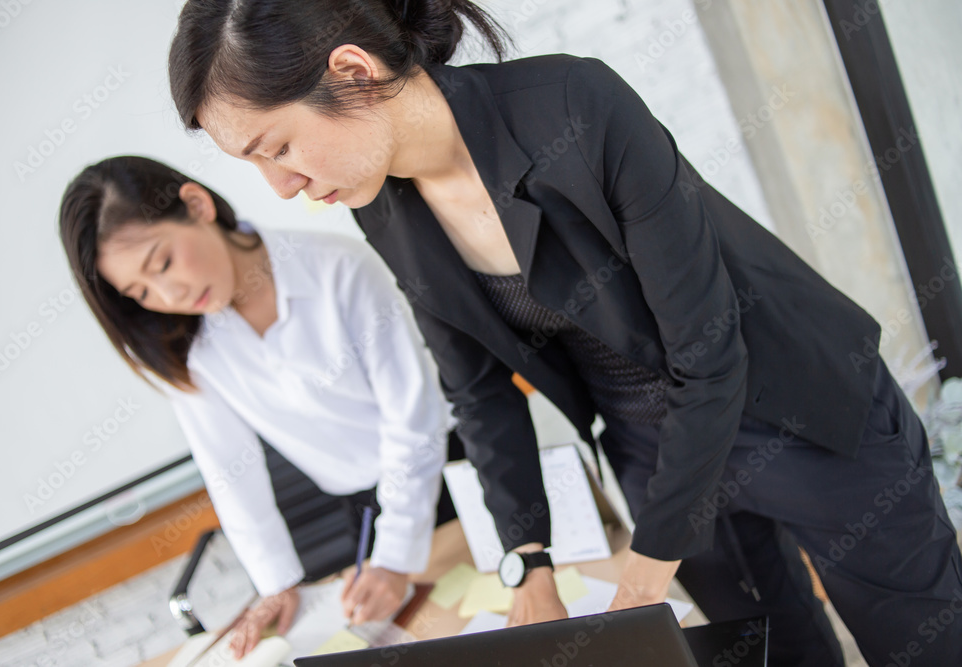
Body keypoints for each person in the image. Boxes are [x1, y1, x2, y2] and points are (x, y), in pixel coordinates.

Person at [165, 1, 962, 665]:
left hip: (791, 403)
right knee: (765, 654)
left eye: (277, 146)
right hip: (649, 444)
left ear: (351, 72)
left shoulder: (576, 105)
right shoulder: (381, 203)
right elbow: (477, 393)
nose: (282, 187)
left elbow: (711, 353)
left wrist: (645, 571)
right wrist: (529, 561)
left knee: (922, 644)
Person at [58, 155, 457, 659]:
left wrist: (397, 557)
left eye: (162, 262)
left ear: (197, 206)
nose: (170, 293)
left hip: (449, 471)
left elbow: (413, 419)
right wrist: (276, 584)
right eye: (141, 293)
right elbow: (228, 471)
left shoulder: (338, 268)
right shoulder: (189, 348)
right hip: (360, 504)